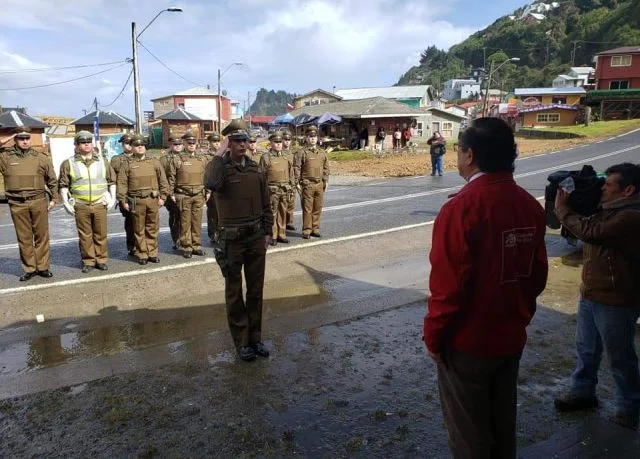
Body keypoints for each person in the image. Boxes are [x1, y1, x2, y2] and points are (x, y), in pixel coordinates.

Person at [423, 117, 548, 458]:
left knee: (470, 437)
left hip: (468, 342)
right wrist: (518, 315)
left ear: (470, 156)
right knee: (502, 426)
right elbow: (536, 276)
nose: (457, 157)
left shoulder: (461, 208)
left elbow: (448, 290)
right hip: (510, 336)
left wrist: (434, 338)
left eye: (459, 150)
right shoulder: (528, 205)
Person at [553, 162, 640, 430]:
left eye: (608, 184)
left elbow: (592, 233)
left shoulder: (631, 216)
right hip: (592, 292)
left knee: (620, 356)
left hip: (616, 298)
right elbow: (585, 230)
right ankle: (583, 391)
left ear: (628, 190)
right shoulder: (610, 209)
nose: (603, 188)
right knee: (586, 349)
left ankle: (628, 405)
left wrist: (562, 210)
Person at [204, 119, 273, 362]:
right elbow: (210, 183)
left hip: (255, 238)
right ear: (229, 143)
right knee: (234, 293)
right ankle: (242, 342)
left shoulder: (255, 170)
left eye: (245, 140)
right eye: (236, 141)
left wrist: (267, 232)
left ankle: (256, 338)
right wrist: (219, 153)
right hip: (231, 241)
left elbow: (266, 203)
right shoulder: (221, 170)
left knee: (256, 291)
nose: (242, 145)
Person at [0, 126, 59, 281]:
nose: (25, 141)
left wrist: (54, 199)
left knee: (41, 236)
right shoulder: (5, 157)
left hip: (38, 201)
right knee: (24, 238)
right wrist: (7, 138)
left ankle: (43, 267)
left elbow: (52, 180)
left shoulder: (40, 157)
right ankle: (29, 268)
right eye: (21, 138)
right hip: (17, 203)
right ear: (15, 139)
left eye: (27, 138)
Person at [58, 131, 116, 273]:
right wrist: (65, 202)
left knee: (101, 234)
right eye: (83, 143)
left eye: (89, 142)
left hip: (99, 203)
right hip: (80, 204)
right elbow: (63, 184)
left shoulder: (103, 162)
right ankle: (88, 261)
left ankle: (101, 260)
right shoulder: (68, 163)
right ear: (77, 145)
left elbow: (111, 181)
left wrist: (113, 198)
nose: (87, 145)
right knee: (85, 235)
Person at [116, 134, 169, 265]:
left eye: (142, 145)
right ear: (132, 148)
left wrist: (163, 197)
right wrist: (123, 200)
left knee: (152, 228)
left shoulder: (154, 161)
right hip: (136, 201)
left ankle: (152, 252)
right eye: (136, 145)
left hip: (152, 199)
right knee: (139, 229)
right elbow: (122, 183)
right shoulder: (127, 164)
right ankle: (142, 254)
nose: (140, 147)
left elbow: (163, 180)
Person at [167, 133, 209, 258]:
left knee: (197, 222)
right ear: (184, 143)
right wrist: (171, 193)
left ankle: (196, 246)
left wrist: (208, 191)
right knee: (185, 222)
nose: (191, 145)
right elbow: (171, 178)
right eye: (189, 143)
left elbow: (206, 177)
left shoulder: (202, 159)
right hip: (183, 195)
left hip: (198, 194)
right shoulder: (177, 159)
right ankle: (187, 246)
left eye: (193, 143)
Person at [294, 125, 330, 239]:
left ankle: (315, 229)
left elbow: (326, 168)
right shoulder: (301, 153)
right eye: (310, 136)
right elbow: (296, 168)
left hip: (319, 184)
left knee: (317, 208)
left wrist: (326, 180)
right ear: (306, 138)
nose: (313, 138)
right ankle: (306, 230)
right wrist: (296, 182)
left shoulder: (322, 152)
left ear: (317, 138)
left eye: (314, 136)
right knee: (307, 209)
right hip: (307, 184)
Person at [259, 131, 295, 246]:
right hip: (272, 190)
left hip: (285, 190)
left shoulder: (286, 157)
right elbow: (261, 176)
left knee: (283, 212)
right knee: (272, 214)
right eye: (276, 142)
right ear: (271, 143)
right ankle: (273, 235)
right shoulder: (266, 157)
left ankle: (282, 234)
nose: (279, 144)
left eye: (280, 142)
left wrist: (292, 187)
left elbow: (291, 173)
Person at [111, 133, 135, 256]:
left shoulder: (143, 158)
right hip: (126, 196)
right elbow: (113, 180)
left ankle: (143, 246)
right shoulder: (116, 160)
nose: (129, 146)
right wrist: (120, 197)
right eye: (126, 143)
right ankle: (132, 246)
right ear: (122, 144)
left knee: (144, 223)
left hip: (140, 195)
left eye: (132, 143)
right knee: (130, 222)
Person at [160, 133, 184, 249]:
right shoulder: (164, 160)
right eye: (175, 144)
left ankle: (186, 239)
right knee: (175, 218)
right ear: (171, 145)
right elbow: (161, 177)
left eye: (180, 144)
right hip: (172, 193)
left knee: (186, 218)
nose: (178, 146)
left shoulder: (188, 156)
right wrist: (166, 194)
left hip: (185, 192)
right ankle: (177, 240)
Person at [283, 130, 297, 231]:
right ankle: (282, 223)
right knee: (282, 204)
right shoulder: (279, 153)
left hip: (291, 181)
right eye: (285, 139)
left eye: (289, 139)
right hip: (282, 181)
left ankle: (290, 222)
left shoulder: (294, 154)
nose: (287, 141)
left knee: (291, 203)